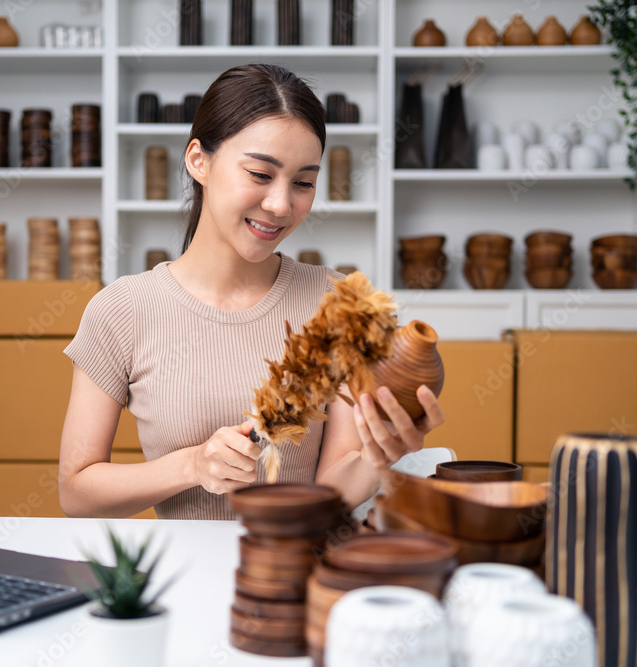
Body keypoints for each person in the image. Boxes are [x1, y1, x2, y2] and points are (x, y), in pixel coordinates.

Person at [59, 64, 444, 520]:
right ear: (198, 160)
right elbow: (77, 492)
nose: (281, 205)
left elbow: (332, 489)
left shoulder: (339, 304)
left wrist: (377, 458)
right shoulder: (122, 310)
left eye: (303, 182)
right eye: (261, 174)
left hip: (301, 571)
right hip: (185, 580)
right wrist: (193, 464)